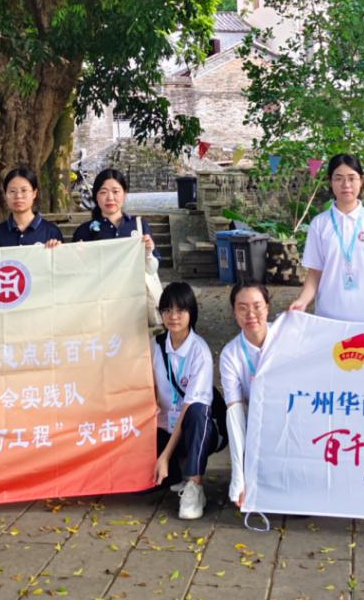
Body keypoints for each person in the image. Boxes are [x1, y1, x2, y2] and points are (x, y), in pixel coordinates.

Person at [289, 154, 364, 321]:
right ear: (330, 182)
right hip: (328, 319)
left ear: (361, 181)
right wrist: (302, 301)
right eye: (338, 178)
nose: (346, 185)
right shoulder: (319, 224)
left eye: (352, 178)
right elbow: (314, 273)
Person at [151, 282, 219, 520]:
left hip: (196, 430)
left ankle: (194, 485)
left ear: (192, 313)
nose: (173, 316)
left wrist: (164, 456)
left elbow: (189, 408)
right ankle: (178, 471)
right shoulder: (155, 345)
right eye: (167, 310)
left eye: (181, 310)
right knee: (146, 486)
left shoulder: (200, 352)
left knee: (197, 411)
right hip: (164, 427)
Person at [220, 280, 271, 508]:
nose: (251, 314)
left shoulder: (286, 339)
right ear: (234, 313)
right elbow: (235, 412)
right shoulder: (230, 355)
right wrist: (239, 478)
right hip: (256, 426)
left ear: (267, 307)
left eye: (257, 306)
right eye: (242, 308)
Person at [72, 168, 158, 261]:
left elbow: (152, 266)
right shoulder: (84, 231)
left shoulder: (139, 225)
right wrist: (79, 257)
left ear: (124, 194)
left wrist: (149, 253)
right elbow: (75, 266)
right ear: (96, 196)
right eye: (103, 192)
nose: (110, 197)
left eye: (115, 191)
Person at [0, 168, 63, 248]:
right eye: (12, 191)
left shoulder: (51, 232)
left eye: (24, 190)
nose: (18, 196)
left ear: (34, 193)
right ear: (5, 194)